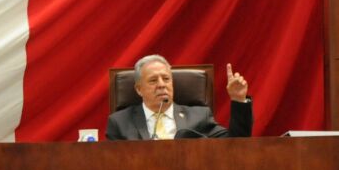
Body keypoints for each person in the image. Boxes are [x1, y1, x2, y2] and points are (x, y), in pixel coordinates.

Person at [106, 54, 251, 141]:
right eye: (153, 80)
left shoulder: (199, 116)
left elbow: (235, 143)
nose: (161, 85)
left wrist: (238, 99)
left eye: (166, 79)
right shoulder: (119, 122)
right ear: (139, 89)